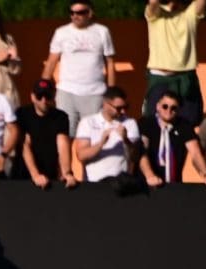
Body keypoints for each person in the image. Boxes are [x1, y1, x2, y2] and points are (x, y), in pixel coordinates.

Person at [42, 1, 115, 136]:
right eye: (72, 13)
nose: (75, 16)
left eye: (80, 12)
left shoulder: (102, 31)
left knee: (92, 135)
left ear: (90, 13)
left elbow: (110, 62)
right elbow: (52, 61)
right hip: (67, 92)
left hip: (95, 93)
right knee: (65, 133)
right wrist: (43, 86)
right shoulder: (61, 32)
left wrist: (112, 92)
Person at [143, 0, 206, 125]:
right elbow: (153, 2)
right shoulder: (156, 13)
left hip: (186, 79)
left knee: (190, 122)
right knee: (152, 123)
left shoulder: (190, 14)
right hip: (159, 79)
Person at [139, 90, 206, 186]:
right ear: (158, 106)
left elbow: (195, 153)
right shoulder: (145, 123)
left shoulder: (184, 126)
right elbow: (142, 152)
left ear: (178, 110)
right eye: (165, 106)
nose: (168, 110)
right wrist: (150, 176)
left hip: (174, 185)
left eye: (173, 108)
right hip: (147, 184)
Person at [16, 78, 77, 189]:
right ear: (32, 97)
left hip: (50, 177)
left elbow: (62, 143)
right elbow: (25, 145)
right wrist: (35, 175)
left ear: (53, 96)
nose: (44, 100)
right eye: (39, 96)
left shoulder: (60, 117)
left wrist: (66, 172)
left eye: (47, 96)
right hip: (24, 176)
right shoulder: (22, 114)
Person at [74, 86, 139, 183]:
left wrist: (126, 140)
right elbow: (81, 156)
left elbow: (135, 157)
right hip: (94, 182)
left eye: (125, 107)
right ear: (105, 104)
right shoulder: (88, 122)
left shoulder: (130, 123)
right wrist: (101, 144)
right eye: (118, 108)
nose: (123, 111)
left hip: (120, 183)